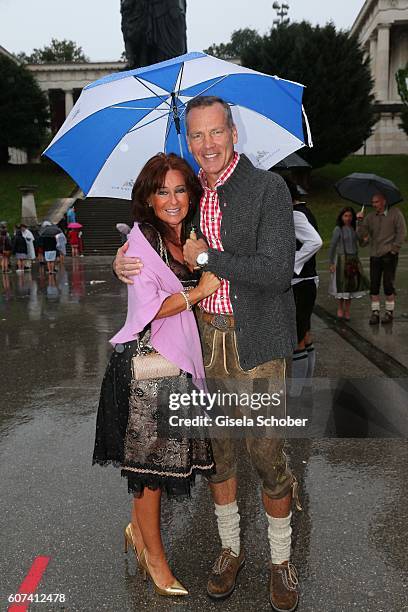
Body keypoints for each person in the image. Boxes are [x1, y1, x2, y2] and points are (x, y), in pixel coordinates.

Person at [114, 96, 301, 612]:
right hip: (203, 344)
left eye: (215, 133)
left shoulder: (268, 188)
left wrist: (208, 258)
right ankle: (229, 550)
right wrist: (121, 259)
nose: (206, 144)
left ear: (233, 133)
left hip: (256, 343)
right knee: (219, 456)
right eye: (196, 136)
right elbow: (156, 230)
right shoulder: (193, 194)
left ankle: (281, 561)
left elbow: (276, 271)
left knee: (266, 454)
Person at [93, 153, 220, 597]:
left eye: (180, 189)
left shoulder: (185, 235)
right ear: (147, 197)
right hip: (148, 373)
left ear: (192, 194)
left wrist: (201, 265)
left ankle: (137, 533)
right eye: (162, 190)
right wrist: (197, 293)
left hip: (178, 365)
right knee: (151, 475)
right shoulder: (143, 241)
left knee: (160, 469)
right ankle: (155, 561)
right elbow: (147, 312)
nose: (172, 199)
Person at [285, 179, 322, 397]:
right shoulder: (304, 210)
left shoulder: (295, 214)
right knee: (305, 335)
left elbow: (315, 242)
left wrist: (294, 263)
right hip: (307, 282)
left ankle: (297, 391)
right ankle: (306, 385)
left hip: (300, 284)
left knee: (298, 337)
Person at [356, 193, 406, 324]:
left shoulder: (395, 213)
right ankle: (375, 312)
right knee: (374, 285)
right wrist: (359, 221)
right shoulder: (370, 217)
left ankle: (389, 312)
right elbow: (362, 236)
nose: (374, 205)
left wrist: (394, 249)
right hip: (375, 255)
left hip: (389, 254)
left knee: (388, 285)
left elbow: (402, 232)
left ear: (384, 202)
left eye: (376, 202)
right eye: (373, 202)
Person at [329, 207, 369, 320]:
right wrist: (331, 263)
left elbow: (361, 243)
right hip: (342, 260)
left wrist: (365, 239)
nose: (348, 218)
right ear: (341, 217)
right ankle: (340, 308)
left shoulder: (354, 228)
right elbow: (332, 247)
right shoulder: (338, 229)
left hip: (353, 259)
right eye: (345, 216)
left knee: (351, 286)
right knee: (342, 286)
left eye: (350, 216)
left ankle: (347, 310)